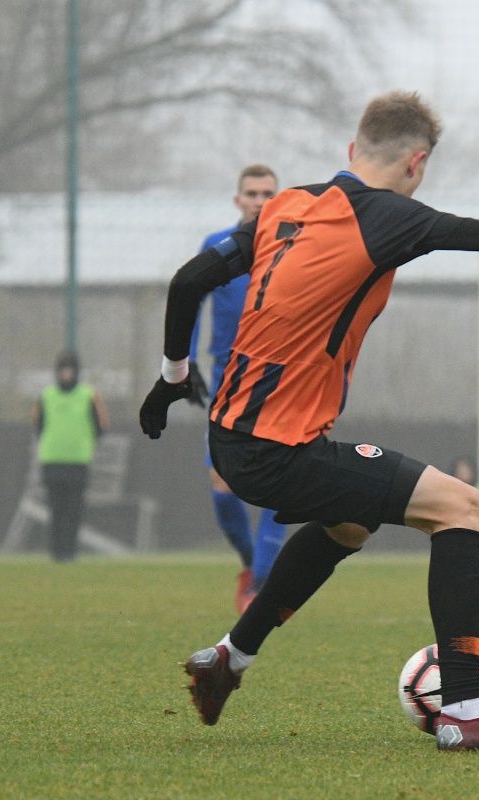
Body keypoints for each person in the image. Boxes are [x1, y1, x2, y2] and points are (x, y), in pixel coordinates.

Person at [140, 90, 479, 752]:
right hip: (277, 450)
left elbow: (188, 281)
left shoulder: (285, 205)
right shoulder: (388, 218)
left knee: (348, 523)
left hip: (232, 441)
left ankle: (231, 657)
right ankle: (463, 707)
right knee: (461, 507)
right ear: (417, 162)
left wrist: (172, 378)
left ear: (352, 151)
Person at [186, 164, 287, 613]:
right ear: (238, 199)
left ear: (277, 197)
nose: (259, 200)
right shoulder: (218, 246)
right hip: (227, 376)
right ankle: (251, 563)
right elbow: (188, 297)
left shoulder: (292, 246)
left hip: (282, 376)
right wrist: (184, 361)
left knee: (280, 481)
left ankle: (262, 583)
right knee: (222, 486)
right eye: (252, 192)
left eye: (268, 192)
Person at [32, 350, 109, 561]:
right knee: (56, 510)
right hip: (52, 461)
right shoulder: (46, 396)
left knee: (74, 510)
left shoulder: (88, 395)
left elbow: (100, 426)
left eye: (70, 369)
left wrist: (84, 443)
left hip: (78, 462)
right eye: (63, 369)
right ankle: (56, 553)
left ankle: (70, 553)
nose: (66, 374)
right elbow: (38, 426)